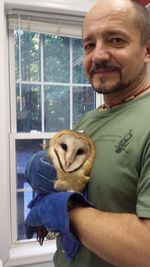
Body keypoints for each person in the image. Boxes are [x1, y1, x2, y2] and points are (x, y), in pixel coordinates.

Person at [25, 0, 150, 266]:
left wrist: (63, 209)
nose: (99, 55)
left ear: (147, 50)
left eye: (116, 40)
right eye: (89, 45)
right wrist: (49, 177)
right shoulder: (89, 119)